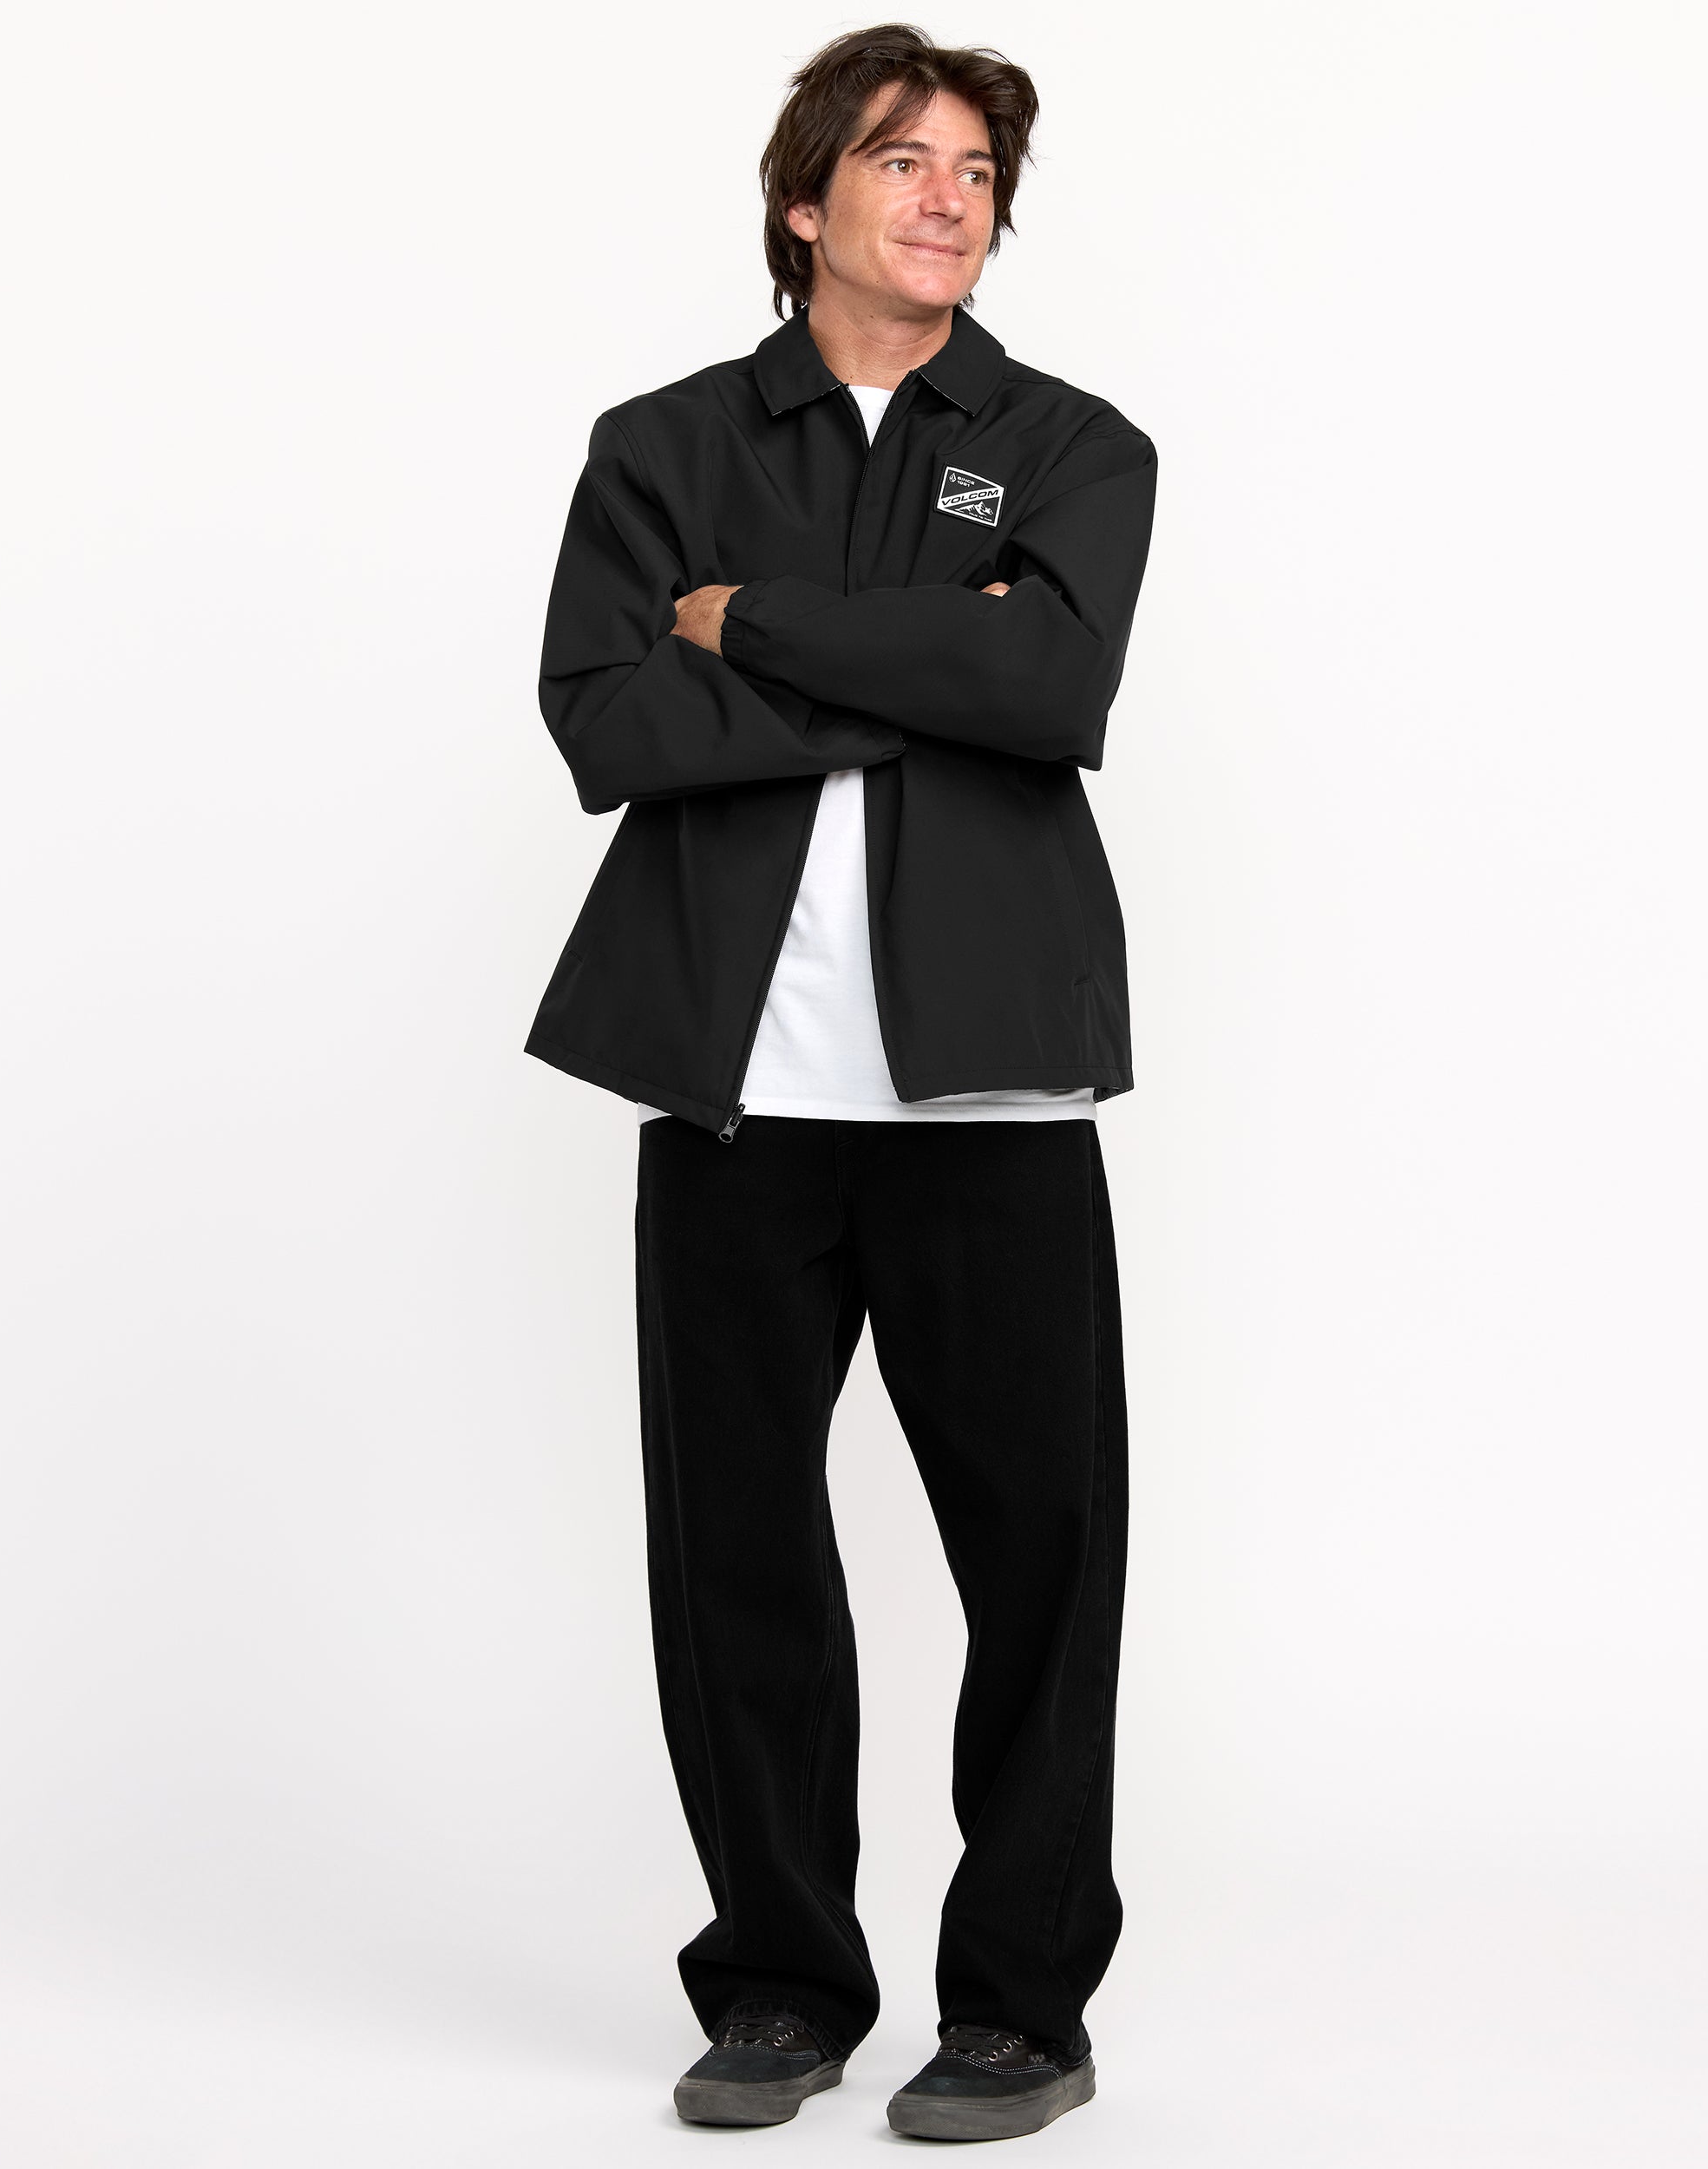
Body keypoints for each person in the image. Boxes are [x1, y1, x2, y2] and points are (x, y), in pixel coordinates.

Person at [527, 23, 1157, 2144]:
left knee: (1043, 1567)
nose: (949, 196)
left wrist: (755, 625)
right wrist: (920, 661)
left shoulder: (1072, 444)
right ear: (805, 202)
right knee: (737, 1562)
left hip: (992, 1103)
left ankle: (1021, 2008)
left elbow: (1050, 684)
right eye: (904, 160)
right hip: (733, 1099)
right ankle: (782, 1985)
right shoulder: (659, 445)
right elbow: (606, 720)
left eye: (977, 169)